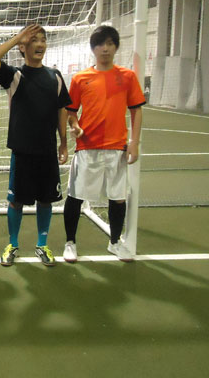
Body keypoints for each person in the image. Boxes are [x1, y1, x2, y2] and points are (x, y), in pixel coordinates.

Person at [0, 24, 71, 267]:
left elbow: (62, 109)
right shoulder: (15, 76)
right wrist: (17, 39)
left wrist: (63, 143)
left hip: (47, 152)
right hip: (22, 151)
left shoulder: (55, 76)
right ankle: (12, 244)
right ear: (23, 47)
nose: (40, 44)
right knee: (16, 200)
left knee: (46, 200)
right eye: (34, 40)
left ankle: (42, 245)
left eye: (43, 39)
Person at [63, 25, 145, 263]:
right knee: (75, 196)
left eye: (109, 43)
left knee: (118, 197)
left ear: (116, 47)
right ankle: (70, 242)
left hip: (117, 148)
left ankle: (114, 242)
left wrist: (134, 142)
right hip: (87, 147)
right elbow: (71, 112)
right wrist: (75, 126)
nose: (105, 48)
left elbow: (136, 110)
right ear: (93, 48)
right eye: (100, 44)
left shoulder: (127, 77)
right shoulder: (80, 78)